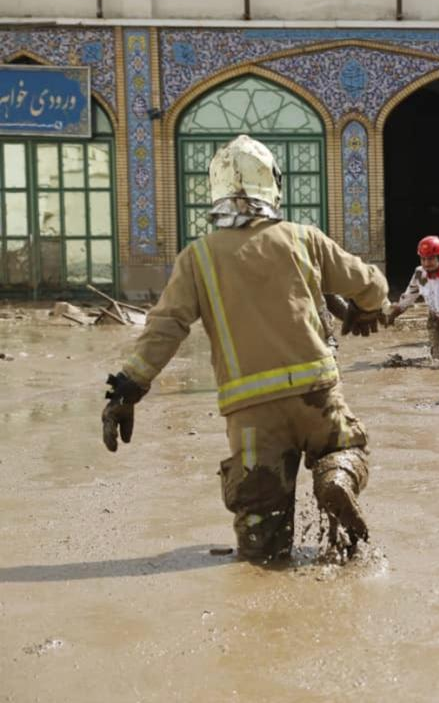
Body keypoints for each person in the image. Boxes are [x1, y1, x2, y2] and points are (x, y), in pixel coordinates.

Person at [101, 135, 388, 563]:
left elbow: (165, 327)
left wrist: (127, 389)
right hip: (317, 391)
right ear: (273, 185)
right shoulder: (302, 239)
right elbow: (372, 284)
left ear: (215, 193)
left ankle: (266, 550)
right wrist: (366, 310)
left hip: (251, 413)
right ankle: (337, 476)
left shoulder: (197, 259)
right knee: (342, 448)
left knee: (262, 545)